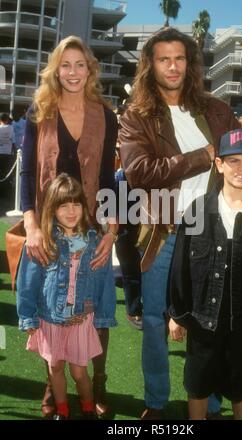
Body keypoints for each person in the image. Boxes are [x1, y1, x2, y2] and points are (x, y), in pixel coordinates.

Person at [118, 27, 242, 419]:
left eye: (180, 58)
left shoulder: (216, 109)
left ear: (191, 63)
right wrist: (202, 157)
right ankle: (155, 401)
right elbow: (139, 172)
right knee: (154, 321)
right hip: (163, 233)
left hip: (209, 231)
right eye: (164, 58)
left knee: (208, 323)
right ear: (150, 65)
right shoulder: (136, 117)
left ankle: (210, 402)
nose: (173, 66)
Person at [20, 35, 118, 419]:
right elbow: (28, 173)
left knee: (95, 306)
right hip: (48, 224)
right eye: (66, 64)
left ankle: (98, 381)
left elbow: (109, 176)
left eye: (80, 65)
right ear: (55, 69)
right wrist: (31, 225)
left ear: (90, 69)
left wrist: (111, 229)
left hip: (91, 223)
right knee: (50, 305)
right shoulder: (38, 111)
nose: (73, 72)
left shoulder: (105, 114)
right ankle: (52, 382)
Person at [168, 129, 242, 420]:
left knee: (241, 388)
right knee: (197, 387)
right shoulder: (197, 211)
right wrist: (177, 314)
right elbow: (180, 266)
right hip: (202, 322)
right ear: (218, 164)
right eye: (233, 161)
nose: (241, 169)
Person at [17, 174, 115, 420]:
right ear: (52, 207)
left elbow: (105, 282)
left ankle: (88, 406)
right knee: (55, 367)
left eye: (76, 204)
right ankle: (61, 409)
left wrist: (103, 316)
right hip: (50, 319)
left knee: (80, 372)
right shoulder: (42, 242)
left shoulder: (95, 242)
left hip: (80, 320)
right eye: (63, 205)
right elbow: (27, 281)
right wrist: (27, 317)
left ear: (84, 206)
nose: (71, 211)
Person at [115, 167, 143, 329]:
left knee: (137, 271)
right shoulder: (119, 178)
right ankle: (133, 311)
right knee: (131, 271)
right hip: (125, 231)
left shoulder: (147, 173)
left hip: (144, 229)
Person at [0, 112, 16, 195]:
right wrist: (15, 154)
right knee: (6, 172)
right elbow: (13, 142)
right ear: (6, 120)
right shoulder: (11, 128)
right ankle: (5, 191)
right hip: (7, 153)